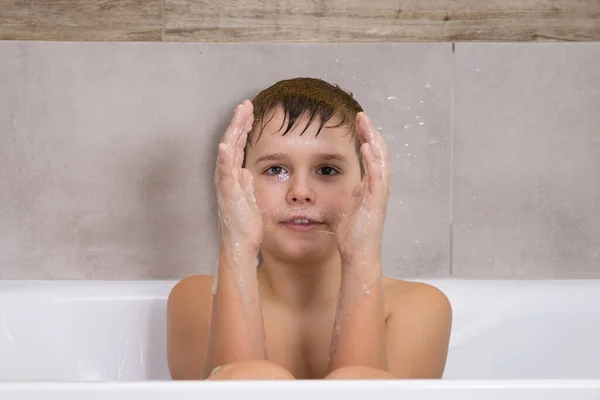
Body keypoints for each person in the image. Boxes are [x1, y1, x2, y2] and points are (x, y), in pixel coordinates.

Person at [166, 77, 452, 380]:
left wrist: (362, 253)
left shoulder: (418, 309)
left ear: (365, 183)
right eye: (275, 170)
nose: (300, 191)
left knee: (354, 379)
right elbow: (240, 388)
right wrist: (237, 244)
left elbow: (360, 392)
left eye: (327, 170)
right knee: (251, 375)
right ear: (240, 180)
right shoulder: (196, 300)